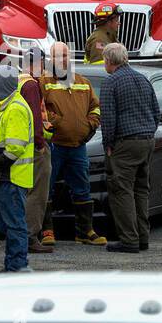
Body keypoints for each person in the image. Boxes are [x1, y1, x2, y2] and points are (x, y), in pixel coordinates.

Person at [39, 41, 107, 246]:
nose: (63, 59)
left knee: (82, 188)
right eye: (58, 56)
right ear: (51, 60)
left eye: (66, 55)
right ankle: (47, 231)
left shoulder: (83, 82)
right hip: (54, 147)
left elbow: (95, 108)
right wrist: (58, 123)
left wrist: (90, 125)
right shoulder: (43, 83)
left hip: (78, 146)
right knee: (46, 188)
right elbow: (40, 110)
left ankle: (85, 232)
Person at [99, 42, 159, 253]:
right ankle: (143, 237)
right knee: (141, 190)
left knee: (121, 190)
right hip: (147, 140)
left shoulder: (110, 83)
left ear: (108, 60)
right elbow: (156, 111)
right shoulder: (142, 79)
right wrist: (149, 132)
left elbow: (108, 118)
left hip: (125, 142)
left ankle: (129, 240)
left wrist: (108, 144)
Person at [0, 63, 34, 273]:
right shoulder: (7, 105)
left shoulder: (15, 109)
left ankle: (17, 267)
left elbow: (15, 147)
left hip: (12, 177)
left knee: (14, 225)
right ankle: (13, 266)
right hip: (7, 177)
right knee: (8, 225)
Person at [18, 46, 51, 255]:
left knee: (25, 193)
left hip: (22, 146)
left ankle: (24, 235)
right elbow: (35, 118)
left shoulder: (18, 80)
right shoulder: (30, 84)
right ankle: (31, 236)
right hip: (34, 147)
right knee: (37, 194)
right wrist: (40, 143)